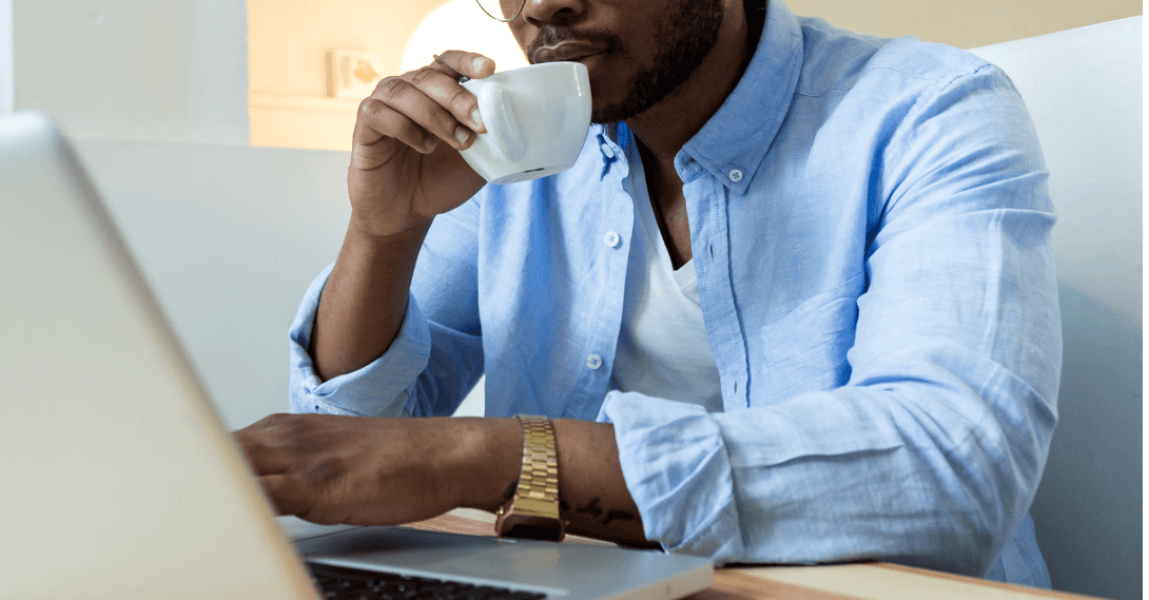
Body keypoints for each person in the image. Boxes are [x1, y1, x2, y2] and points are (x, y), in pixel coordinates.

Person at [234, 0, 1061, 586]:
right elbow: (354, 448)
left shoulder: (929, 110)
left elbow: (951, 467)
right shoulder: (523, 144)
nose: (542, 7)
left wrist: (492, 458)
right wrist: (385, 232)